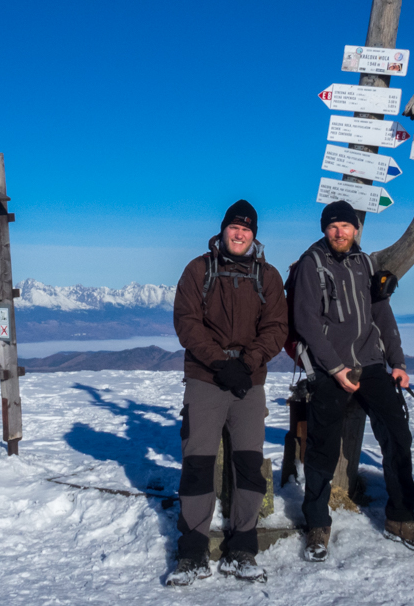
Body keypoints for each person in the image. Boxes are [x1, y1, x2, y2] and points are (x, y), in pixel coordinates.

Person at [291, 200, 414, 562]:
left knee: (398, 436)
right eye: (333, 226)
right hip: (329, 368)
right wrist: (335, 369)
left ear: (356, 230)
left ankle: (401, 518)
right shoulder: (312, 263)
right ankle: (318, 523)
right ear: (325, 229)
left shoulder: (365, 263)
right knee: (322, 447)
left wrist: (397, 362)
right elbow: (306, 322)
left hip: (370, 364)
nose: (340, 232)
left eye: (346, 226)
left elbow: (381, 313)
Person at [166, 200, 287, 586]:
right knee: (199, 460)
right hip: (206, 376)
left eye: (246, 229)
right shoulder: (198, 270)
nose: (239, 234)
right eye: (234, 228)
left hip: (249, 380)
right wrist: (220, 363)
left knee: (249, 462)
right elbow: (187, 323)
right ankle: (193, 552)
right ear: (223, 230)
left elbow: (276, 327)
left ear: (254, 235)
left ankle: (242, 549)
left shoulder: (267, 276)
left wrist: (246, 363)